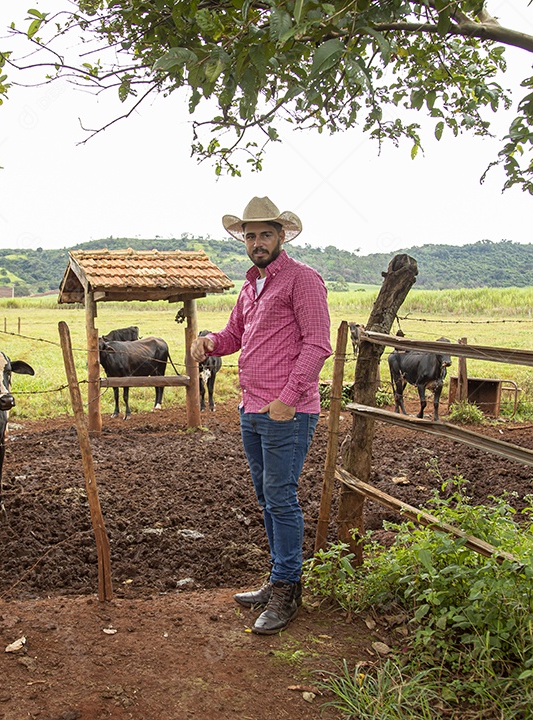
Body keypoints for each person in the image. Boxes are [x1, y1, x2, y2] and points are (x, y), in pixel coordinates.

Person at [191, 196, 332, 635]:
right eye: (250, 235)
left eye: (265, 234)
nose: (257, 242)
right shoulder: (251, 286)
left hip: (286, 412)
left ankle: (288, 590)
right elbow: (236, 334)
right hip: (252, 408)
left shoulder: (302, 280)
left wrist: (288, 398)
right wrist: (211, 342)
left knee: (281, 497)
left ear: (281, 236)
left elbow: (318, 344)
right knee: (268, 498)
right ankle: (277, 580)